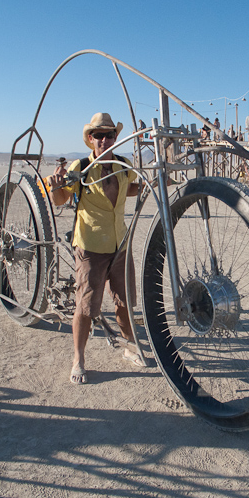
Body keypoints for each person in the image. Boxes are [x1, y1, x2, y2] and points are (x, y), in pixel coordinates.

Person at [46, 112, 144, 384]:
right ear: (90, 139)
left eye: (109, 134)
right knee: (87, 306)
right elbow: (60, 198)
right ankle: (78, 359)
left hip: (120, 245)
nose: (104, 140)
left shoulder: (124, 165)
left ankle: (129, 347)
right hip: (91, 247)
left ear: (115, 137)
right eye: (98, 135)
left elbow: (129, 189)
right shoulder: (81, 167)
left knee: (125, 302)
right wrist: (55, 187)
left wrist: (150, 184)